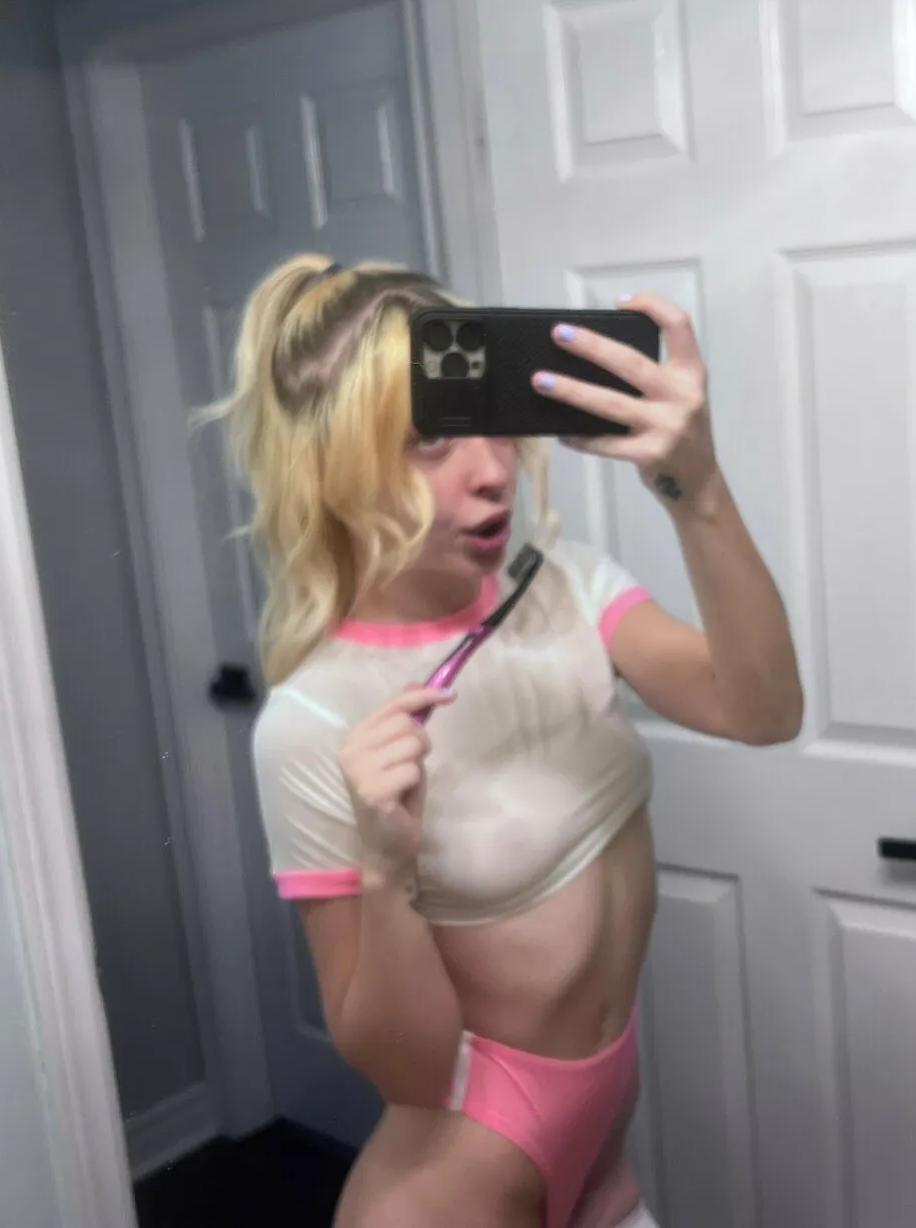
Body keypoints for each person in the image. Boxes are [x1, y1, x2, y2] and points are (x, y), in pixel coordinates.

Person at [209, 255, 804, 1228]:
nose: (491, 471)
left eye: (488, 420)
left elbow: (764, 711)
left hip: (604, 1173)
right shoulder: (310, 724)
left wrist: (694, 485)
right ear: (331, 470)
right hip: (455, 1189)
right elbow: (409, 1074)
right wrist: (385, 868)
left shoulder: (566, 586)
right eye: (427, 442)